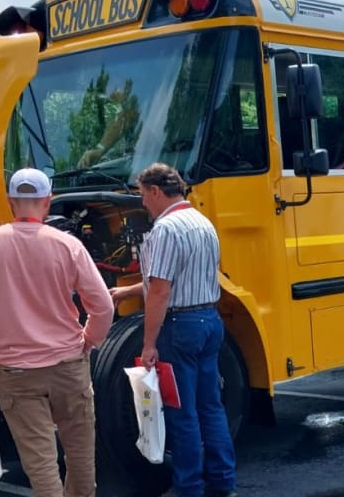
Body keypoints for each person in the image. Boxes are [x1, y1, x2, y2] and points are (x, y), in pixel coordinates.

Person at [0, 168, 114, 497]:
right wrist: (89, 339)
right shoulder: (68, 245)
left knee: (42, 467)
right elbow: (103, 306)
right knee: (82, 458)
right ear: (48, 201)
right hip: (69, 365)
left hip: (16, 372)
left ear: (11, 201)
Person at [109, 163, 237, 497]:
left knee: (183, 413)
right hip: (209, 321)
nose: (143, 205)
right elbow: (169, 279)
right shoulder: (203, 222)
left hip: (180, 327)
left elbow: (162, 291)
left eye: (143, 196)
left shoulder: (165, 229)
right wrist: (127, 291)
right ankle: (223, 483)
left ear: (155, 190)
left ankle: (189, 487)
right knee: (211, 407)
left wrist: (149, 343)